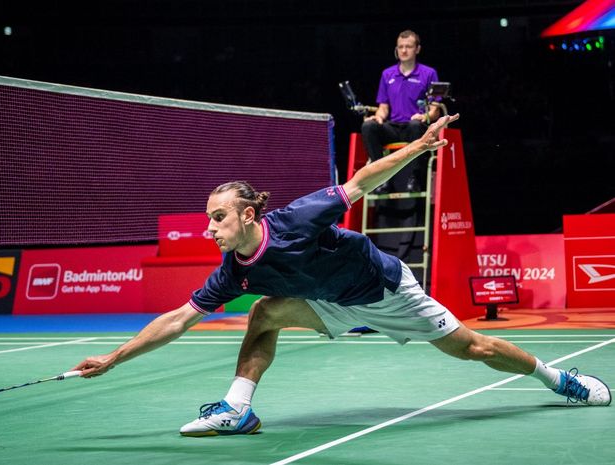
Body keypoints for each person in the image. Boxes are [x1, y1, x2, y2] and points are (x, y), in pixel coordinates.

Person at [72, 114, 610, 437]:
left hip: (385, 290)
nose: (209, 227)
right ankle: (237, 409)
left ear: (248, 217)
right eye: (208, 218)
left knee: (472, 348)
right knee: (263, 313)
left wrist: (420, 148)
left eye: (218, 217)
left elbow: (361, 182)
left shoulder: (298, 219)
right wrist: (115, 359)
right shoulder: (232, 272)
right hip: (330, 301)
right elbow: (177, 320)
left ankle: (561, 381)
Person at [361, 29, 440, 192]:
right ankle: (381, 179)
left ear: (417, 49)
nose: (404, 50)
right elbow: (383, 108)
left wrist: (424, 116)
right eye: (400, 47)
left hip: (416, 128)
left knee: (414, 125)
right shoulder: (387, 74)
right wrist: (378, 117)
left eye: (408, 46)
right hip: (394, 127)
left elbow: (435, 110)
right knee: (368, 127)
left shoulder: (429, 73)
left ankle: (415, 178)